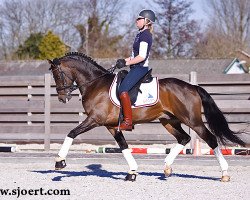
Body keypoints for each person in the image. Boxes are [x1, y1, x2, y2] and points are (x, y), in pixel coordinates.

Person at [115, 9, 156, 131]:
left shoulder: (145, 35)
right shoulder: (139, 35)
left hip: (140, 68)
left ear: (146, 21)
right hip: (135, 66)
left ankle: (128, 122)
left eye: (139, 19)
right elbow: (134, 56)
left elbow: (141, 57)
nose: (136, 21)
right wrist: (123, 60)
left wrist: (127, 62)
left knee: (123, 90)